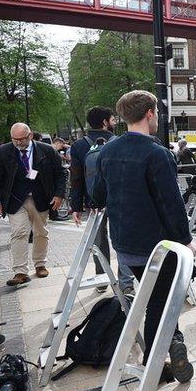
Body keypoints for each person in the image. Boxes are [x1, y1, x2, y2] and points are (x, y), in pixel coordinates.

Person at [91, 90, 195, 384]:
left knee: (153, 296)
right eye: (157, 113)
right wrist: (186, 241)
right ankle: (155, 363)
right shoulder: (157, 153)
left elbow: (98, 195)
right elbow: (170, 204)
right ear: (150, 113)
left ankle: (173, 339)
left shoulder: (107, 151)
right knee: (161, 305)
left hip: (124, 245)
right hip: (156, 247)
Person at [0, 123, 67, 287]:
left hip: (41, 198)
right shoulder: (3, 152)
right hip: (15, 199)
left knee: (40, 232)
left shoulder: (46, 150)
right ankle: (20, 271)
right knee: (19, 233)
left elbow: (60, 173)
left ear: (30, 136)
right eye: (14, 139)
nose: (17, 143)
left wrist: (59, 194)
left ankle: (40, 264)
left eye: (21, 139)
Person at [69, 107, 133, 292]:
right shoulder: (119, 142)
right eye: (112, 119)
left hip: (94, 201)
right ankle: (126, 283)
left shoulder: (79, 146)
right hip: (120, 199)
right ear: (105, 122)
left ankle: (102, 278)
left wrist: (76, 207)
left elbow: (76, 178)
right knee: (122, 240)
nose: (114, 122)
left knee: (98, 241)